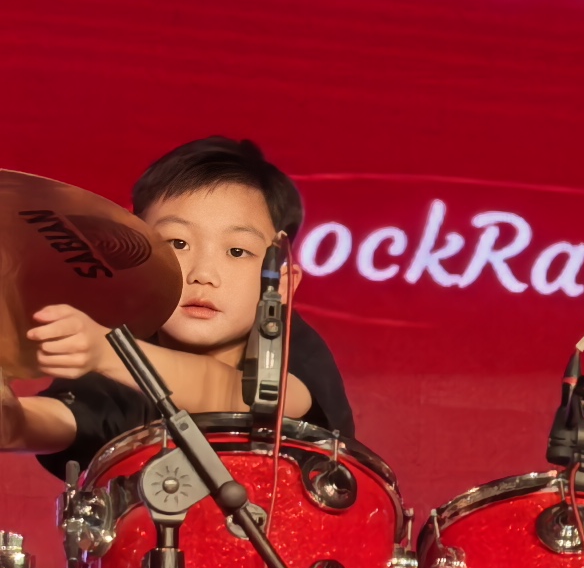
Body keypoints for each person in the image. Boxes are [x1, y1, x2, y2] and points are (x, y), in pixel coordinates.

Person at [7, 137, 350, 473]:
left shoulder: (294, 347)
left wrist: (109, 353)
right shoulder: (119, 349)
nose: (203, 275)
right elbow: (55, 420)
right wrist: (11, 418)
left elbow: (252, 401)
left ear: (283, 283)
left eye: (236, 251)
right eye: (178, 243)